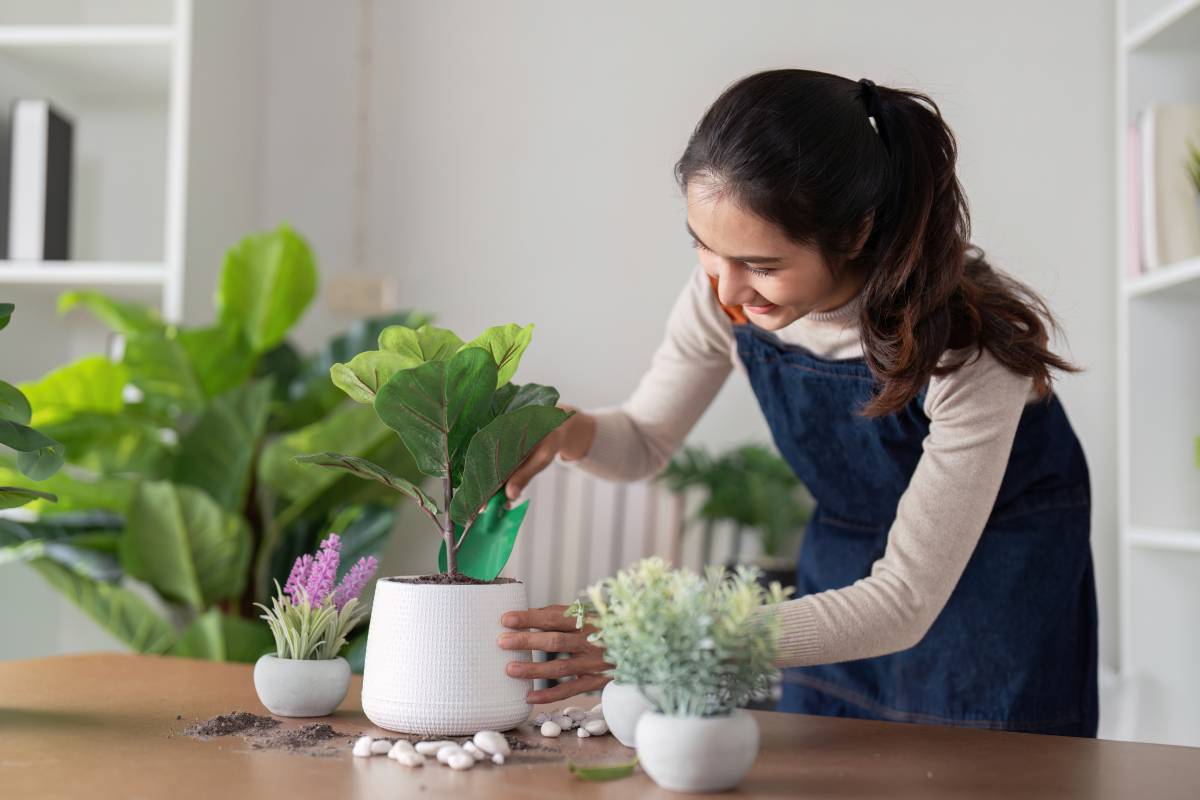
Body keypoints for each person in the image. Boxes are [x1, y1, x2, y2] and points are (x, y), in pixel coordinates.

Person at [496, 69, 1097, 737]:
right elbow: (642, 441)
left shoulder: (968, 347)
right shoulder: (721, 300)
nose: (726, 289)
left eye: (762, 264)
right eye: (703, 247)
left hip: (993, 583)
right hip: (845, 566)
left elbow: (902, 600)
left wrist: (668, 636)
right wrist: (565, 430)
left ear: (856, 232)